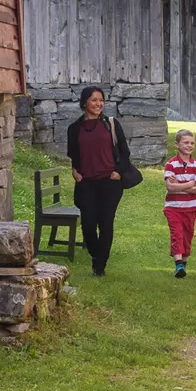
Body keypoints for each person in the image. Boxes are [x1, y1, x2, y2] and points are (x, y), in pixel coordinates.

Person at [66, 86, 133, 277]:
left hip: (110, 182)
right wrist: (74, 170)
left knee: (105, 222)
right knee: (88, 224)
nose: (98, 104)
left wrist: (118, 172)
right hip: (86, 182)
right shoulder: (74, 129)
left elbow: (125, 153)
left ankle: (100, 266)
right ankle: (97, 255)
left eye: (101, 100)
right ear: (84, 102)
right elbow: (74, 155)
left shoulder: (111, 124)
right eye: (94, 100)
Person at [163, 129, 196, 278]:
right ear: (177, 144)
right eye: (185, 142)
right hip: (173, 208)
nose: (189, 145)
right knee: (177, 234)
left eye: (192, 143)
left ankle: (183, 265)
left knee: (188, 235)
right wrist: (190, 184)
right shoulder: (171, 164)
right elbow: (170, 188)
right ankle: (178, 263)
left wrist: (180, 185)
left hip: (190, 207)